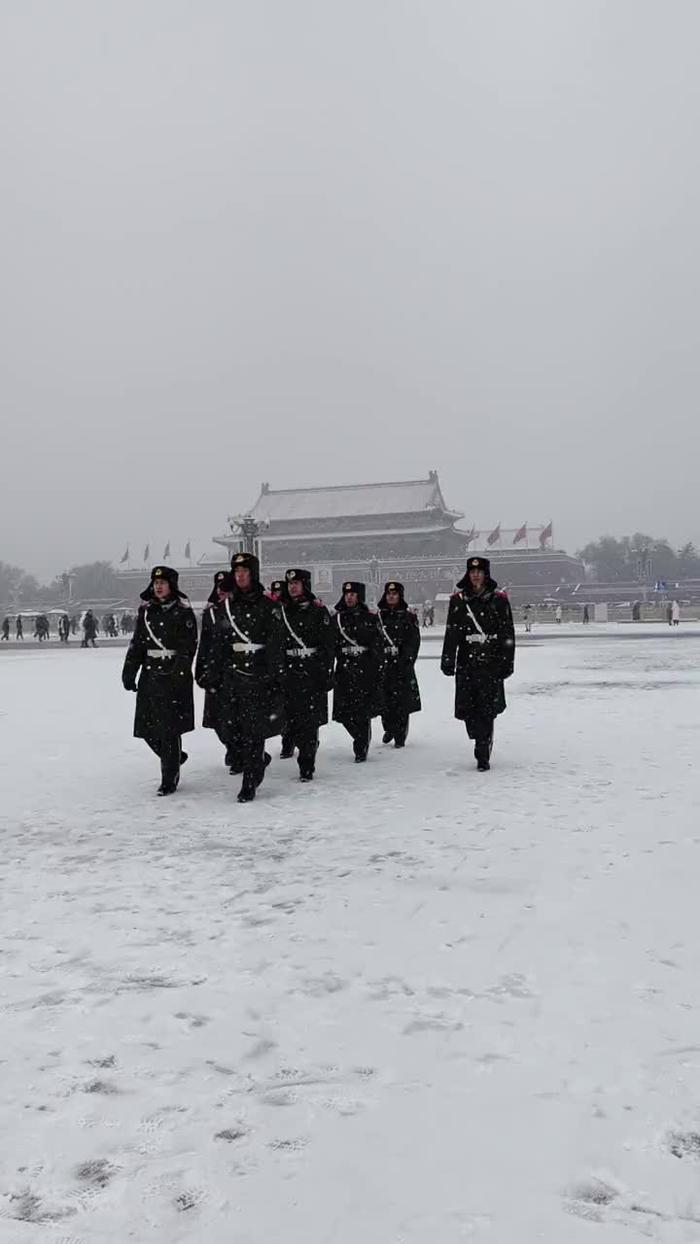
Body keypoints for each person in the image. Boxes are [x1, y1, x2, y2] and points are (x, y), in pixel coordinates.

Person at [199, 552, 285, 802]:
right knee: (230, 729)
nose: (240, 576)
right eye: (236, 572)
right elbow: (219, 644)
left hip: (258, 676)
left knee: (253, 731)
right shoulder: (225, 607)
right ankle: (256, 761)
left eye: (245, 571)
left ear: (253, 573)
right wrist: (211, 675)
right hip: (232, 677)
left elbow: (276, 644)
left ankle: (250, 780)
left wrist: (275, 676)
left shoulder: (270, 607)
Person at [121, 565, 198, 795]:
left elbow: (188, 646)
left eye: (163, 583)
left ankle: (169, 778)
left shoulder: (183, 612)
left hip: (174, 676)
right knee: (147, 728)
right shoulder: (145, 611)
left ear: (172, 585)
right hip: (151, 675)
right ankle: (174, 757)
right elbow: (137, 644)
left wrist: (180, 671)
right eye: (155, 583)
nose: (158, 586)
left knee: (170, 730)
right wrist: (129, 671)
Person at [441, 556, 515, 771]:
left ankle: (483, 747)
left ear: (486, 574)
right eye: (472, 572)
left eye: (480, 572)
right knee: (468, 708)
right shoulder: (458, 600)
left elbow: (507, 633)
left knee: (486, 707)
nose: (475, 575)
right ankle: (478, 735)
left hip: (490, 661)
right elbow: (451, 632)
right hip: (467, 661)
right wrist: (448, 659)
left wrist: (507, 661)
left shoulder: (498, 599)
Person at [278, 568, 335, 781]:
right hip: (289, 672)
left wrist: (326, 671)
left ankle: (307, 763)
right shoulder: (280, 611)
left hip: (311, 672)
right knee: (290, 720)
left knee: (309, 722)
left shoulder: (318, 611)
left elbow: (328, 645)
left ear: (305, 585)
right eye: (290, 583)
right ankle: (301, 746)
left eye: (297, 583)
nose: (292, 587)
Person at [332, 580, 384, 762]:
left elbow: (377, 644)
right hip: (344, 669)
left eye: (353, 594)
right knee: (344, 713)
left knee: (361, 711)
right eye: (346, 594)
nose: (349, 597)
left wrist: (377, 667)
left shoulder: (370, 618)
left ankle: (361, 744)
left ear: (359, 596)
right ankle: (359, 734)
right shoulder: (337, 619)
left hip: (364, 669)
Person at [194, 571, 236, 769]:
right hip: (214, 672)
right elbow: (205, 645)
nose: (221, 591)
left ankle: (245, 753)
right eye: (218, 586)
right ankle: (233, 748)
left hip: (236, 671)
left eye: (225, 586)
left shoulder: (241, 611)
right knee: (217, 719)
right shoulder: (210, 613)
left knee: (237, 718)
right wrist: (200, 669)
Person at [377, 580, 421, 748]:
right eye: (389, 594)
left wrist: (407, 660)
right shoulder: (379, 617)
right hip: (384, 665)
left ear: (400, 596)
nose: (391, 597)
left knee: (402, 703)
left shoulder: (409, 617)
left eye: (394, 594)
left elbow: (413, 642)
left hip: (402, 665)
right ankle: (389, 728)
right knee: (384, 702)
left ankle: (400, 734)